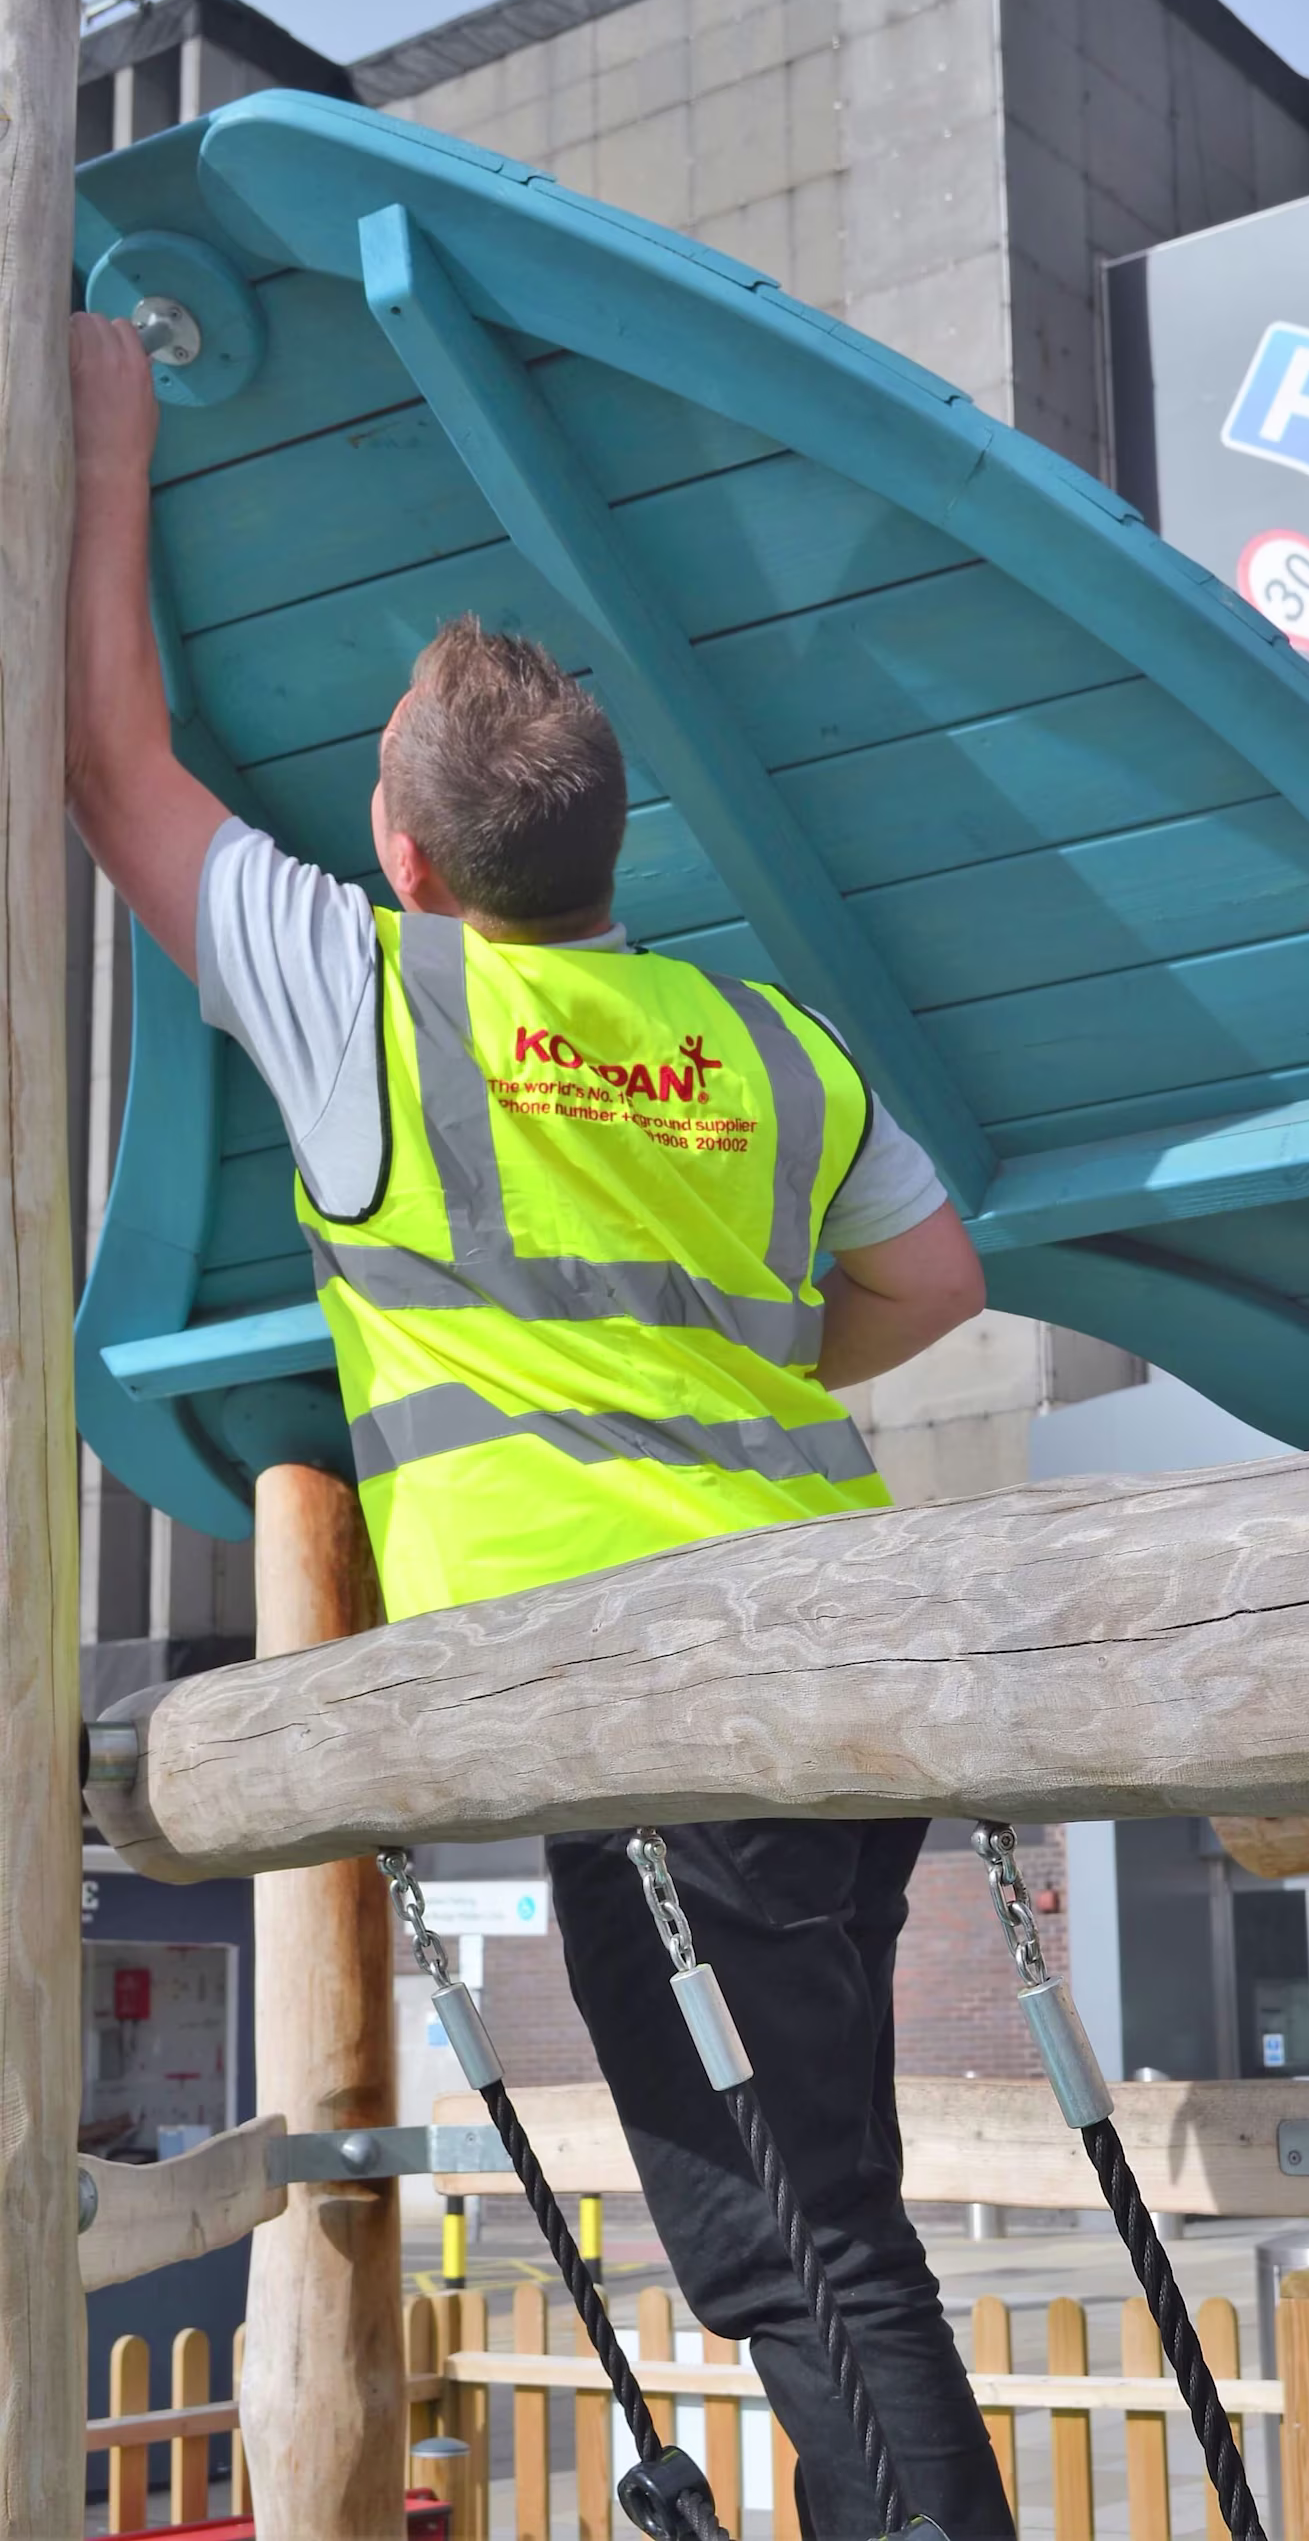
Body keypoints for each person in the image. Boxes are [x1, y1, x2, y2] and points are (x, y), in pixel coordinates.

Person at [66, 312, 1013, 2541]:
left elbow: (115, 765)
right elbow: (938, 1282)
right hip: (801, 1678)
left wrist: (101, 423)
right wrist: (741, 1384)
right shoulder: (753, 1036)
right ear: (613, 850)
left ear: (400, 850)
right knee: (800, 2217)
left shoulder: (382, 1004)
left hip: (661, 1718)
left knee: (799, 2244)